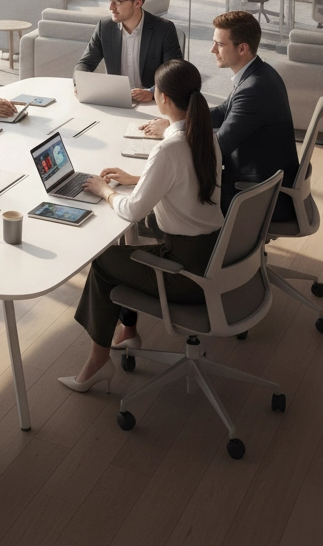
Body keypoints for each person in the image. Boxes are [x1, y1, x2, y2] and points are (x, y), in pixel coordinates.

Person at [58, 59, 223, 393]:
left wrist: (105, 191)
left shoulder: (168, 150)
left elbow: (132, 211)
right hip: (216, 254)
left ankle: (97, 363)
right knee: (128, 250)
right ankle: (128, 333)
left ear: (161, 99)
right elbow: (185, 181)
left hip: (186, 273)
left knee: (105, 264)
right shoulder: (205, 136)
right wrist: (139, 178)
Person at [140, 10, 298, 222]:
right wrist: (176, 120)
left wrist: (170, 131)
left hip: (255, 192)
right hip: (257, 178)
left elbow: (216, 148)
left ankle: (183, 249)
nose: (212, 49)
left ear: (242, 48)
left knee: (161, 200)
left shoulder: (255, 89)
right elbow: (224, 111)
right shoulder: (258, 74)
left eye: (220, 44)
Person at [74, 0, 182, 103]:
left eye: (117, 2)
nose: (111, 7)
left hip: (152, 103)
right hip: (116, 100)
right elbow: (85, 63)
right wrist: (79, 83)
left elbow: (175, 72)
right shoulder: (105, 27)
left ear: (137, 3)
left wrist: (152, 92)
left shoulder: (164, 29)